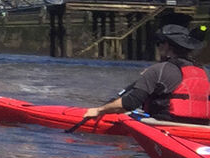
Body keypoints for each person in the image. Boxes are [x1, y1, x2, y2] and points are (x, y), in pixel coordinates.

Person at [80, 24, 209, 124]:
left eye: (159, 43)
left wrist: (99, 110)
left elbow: (130, 103)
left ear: (166, 45)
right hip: (201, 128)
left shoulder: (158, 70)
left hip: (165, 126)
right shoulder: (206, 72)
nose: (158, 47)